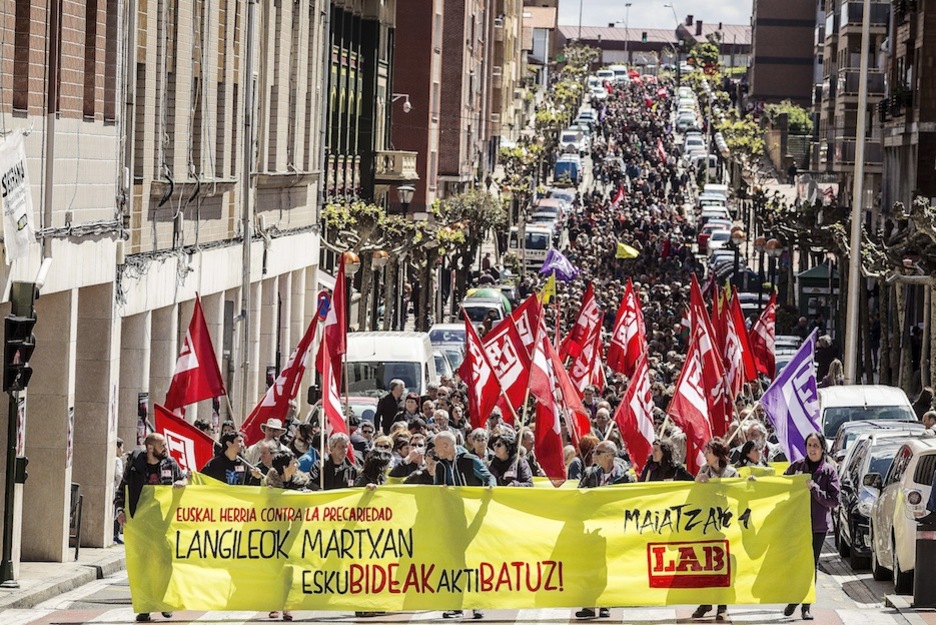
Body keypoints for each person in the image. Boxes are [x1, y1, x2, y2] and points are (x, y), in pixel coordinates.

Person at [114, 433, 186, 622]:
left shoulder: (170, 463)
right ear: (151, 448)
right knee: (143, 565)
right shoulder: (136, 465)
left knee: (164, 564)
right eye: (162, 445)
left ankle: (163, 603)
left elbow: (186, 478)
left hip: (164, 525)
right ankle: (145, 607)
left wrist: (182, 482)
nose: (166, 448)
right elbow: (122, 489)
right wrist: (120, 511)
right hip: (141, 526)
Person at [782, 431, 841, 621]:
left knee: (810, 566)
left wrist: (814, 488)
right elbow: (781, 485)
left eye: (816, 446)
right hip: (797, 524)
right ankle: (794, 598)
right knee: (795, 564)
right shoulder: (797, 466)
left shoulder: (829, 471)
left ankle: (805, 605)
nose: (812, 449)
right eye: (809, 445)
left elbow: (834, 500)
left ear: (823, 448)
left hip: (817, 527)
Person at [435, 431, 493, 620]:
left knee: (474, 562)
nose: (435, 450)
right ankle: (456, 606)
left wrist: (489, 489)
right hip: (452, 521)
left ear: (446, 446)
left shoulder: (469, 460)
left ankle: (478, 605)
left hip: (472, 518)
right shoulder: (440, 466)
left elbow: (488, 477)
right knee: (455, 563)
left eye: (437, 446)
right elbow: (434, 491)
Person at [575, 440, 632, 619]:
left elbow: (630, 502)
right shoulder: (590, 473)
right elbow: (579, 494)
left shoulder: (625, 477)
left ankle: (606, 603)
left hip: (613, 528)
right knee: (590, 566)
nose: (594, 455)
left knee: (608, 568)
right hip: (592, 529)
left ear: (609, 456)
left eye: (597, 452)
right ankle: (589, 605)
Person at [692, 437, 739, 622]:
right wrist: (698, 482)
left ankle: (722, 605)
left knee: (724, 566)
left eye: (709, 451)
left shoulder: (731, 473)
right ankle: (706, 602)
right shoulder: (704, 471)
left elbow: (736, 494)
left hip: (725, 526)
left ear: (718, 454)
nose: (706, 454)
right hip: (707, 525)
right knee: (706, 565)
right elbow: (694, 494)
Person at [113, 437, 124, 544]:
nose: (122, 451)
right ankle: (115, 535)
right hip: (116, 489)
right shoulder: (117, 460)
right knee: (116, 513)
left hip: (113, 488)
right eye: (121, 448)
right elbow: (119, 475)